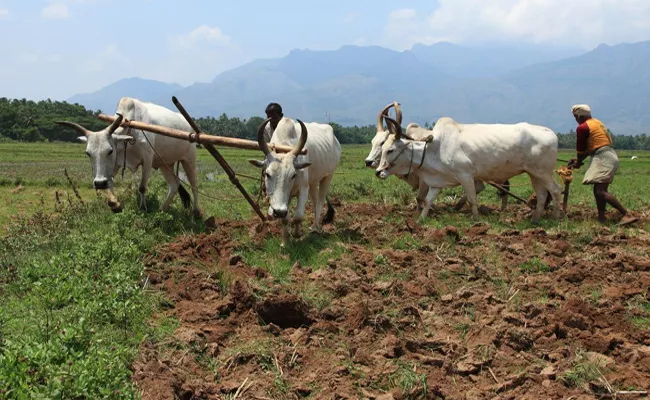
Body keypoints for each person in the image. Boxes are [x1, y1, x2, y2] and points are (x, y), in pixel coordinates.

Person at [568, 104, 638, 225]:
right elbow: (593, 147)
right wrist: (578, 160)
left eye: (575, 117)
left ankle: (626, 214)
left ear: (579, 116)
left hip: (603, 157)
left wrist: (578, 162)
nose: (575, 119)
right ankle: (601, 218)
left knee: (600, 191)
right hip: (608, 154)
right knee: (598, 189)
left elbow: (581, 149)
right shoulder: (596, 122)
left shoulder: (582, 128)